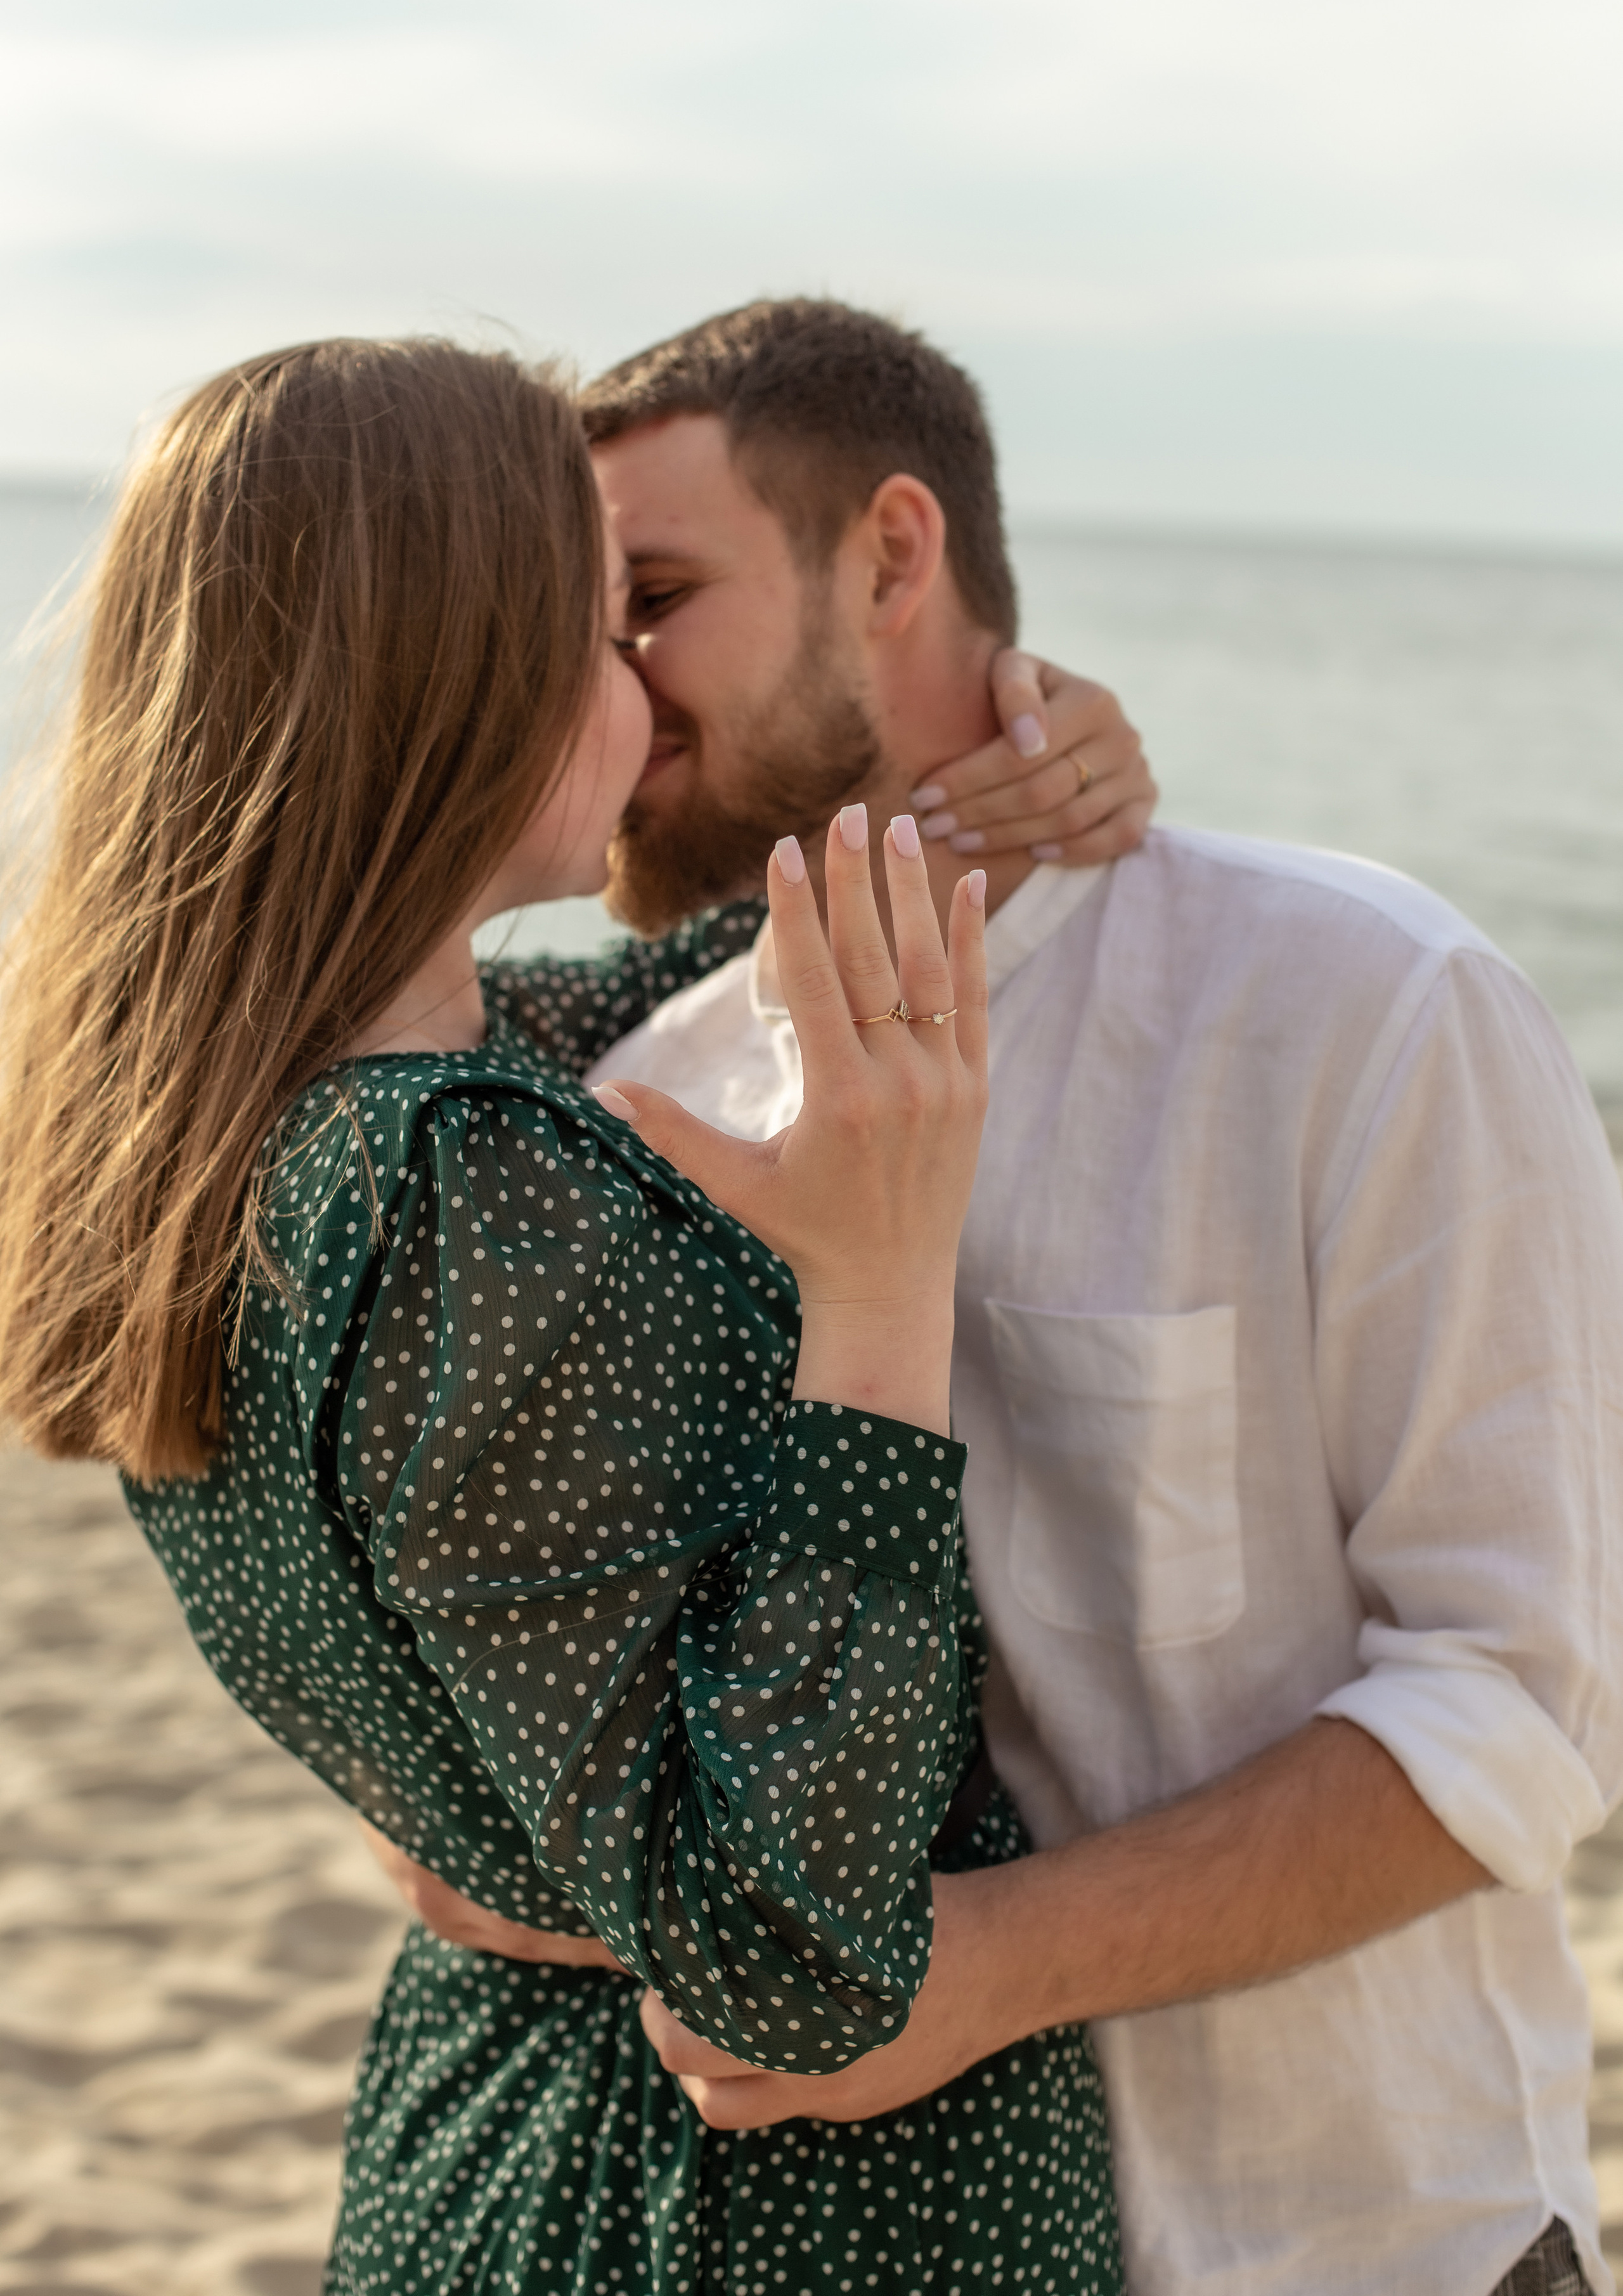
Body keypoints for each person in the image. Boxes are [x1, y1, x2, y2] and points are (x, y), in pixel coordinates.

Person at [392, 298, 1623, 2296]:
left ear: (893, 555)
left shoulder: (1368, 1009)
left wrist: (979, 1973)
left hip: (1360, 2241)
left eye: (655, 599)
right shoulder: (639, 1100)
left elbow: (1522, 1698)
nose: (607, 692)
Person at [0, 335, 1138, 2296]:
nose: (645, 687)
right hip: (746, 2213)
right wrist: (877, 1296)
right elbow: (794, 1959)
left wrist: (1006, 787)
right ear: (463, 670)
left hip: (497, 2117)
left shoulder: (242, 1130)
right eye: (607, 630)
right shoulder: (463, 1188)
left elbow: (696, 983)